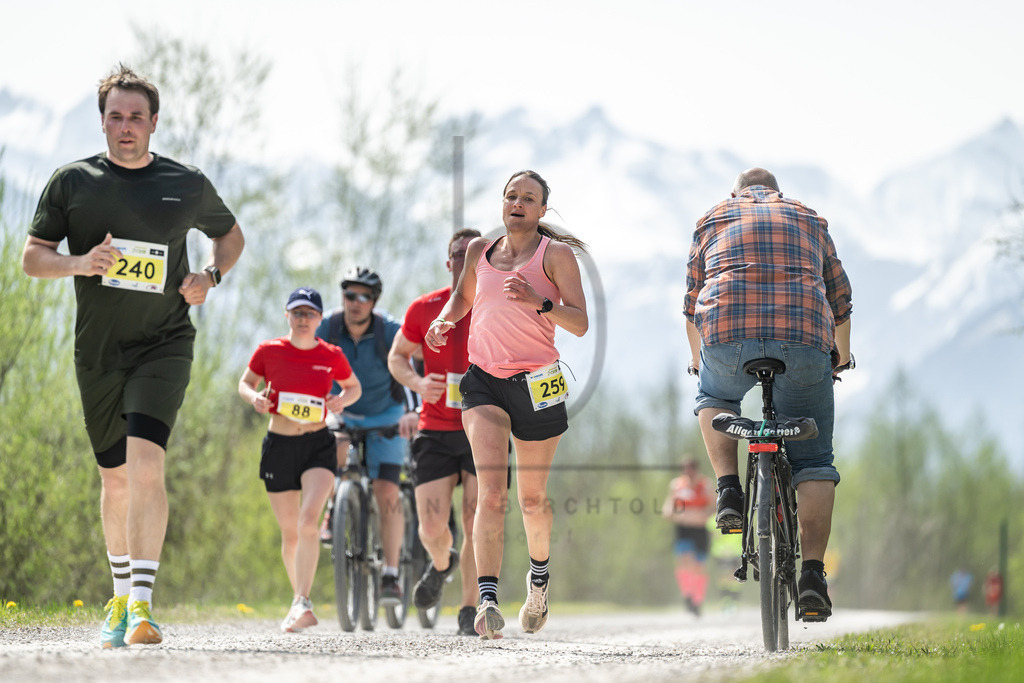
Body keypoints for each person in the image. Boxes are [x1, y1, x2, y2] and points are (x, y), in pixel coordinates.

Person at [21, 64, 244, 648]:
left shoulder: (184, 183)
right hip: (98, 351)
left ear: (154, 123)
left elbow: (230, 236)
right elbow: (33, 257)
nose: (126, 126)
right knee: (114, 479)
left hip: (164, 343)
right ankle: (120, 598)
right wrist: (79, 263)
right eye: (116, 116)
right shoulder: (72, 183)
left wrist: (210, 276)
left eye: (136, 117)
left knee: (146, 465)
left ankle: (143, 606)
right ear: (102, 122)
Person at [684, 167, 852, 623]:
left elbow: (692, 303)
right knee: (814, 461)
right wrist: (840, 358)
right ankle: (813, 576)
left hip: (727, 336)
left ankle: (729, 491)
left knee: (713, 399)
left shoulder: (713, 217)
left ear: (735, 193)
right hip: (803, 341)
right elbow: (840, 299)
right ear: (779, 193)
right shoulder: (810, 218)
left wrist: (700, 360)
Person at [426, 170, 589, 640]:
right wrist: (444, 321)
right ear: (502, 204)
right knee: (491, 493)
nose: (518, 203)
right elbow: (462, 299)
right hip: (484, 383)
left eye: (528, 198)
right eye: (511, 196)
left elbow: (580, 323)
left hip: (537, 385)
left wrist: (540, 302)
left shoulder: (555, 255)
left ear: (542, 210)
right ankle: (487, 600)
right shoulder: (480, 250)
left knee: (531, 500)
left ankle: (538, 581)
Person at [238, 287, 361, 632]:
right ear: (287, 316)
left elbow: (353, 387)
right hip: (279, 446)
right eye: (297, 312)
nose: (303, 319)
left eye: (310, 313)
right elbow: (245, 383)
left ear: (320, 319)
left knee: (309, 522)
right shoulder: (269, 350)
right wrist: (254, 398)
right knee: (290, 533)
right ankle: (298, 601)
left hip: (318, 445)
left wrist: (342, 400)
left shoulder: (331, 354)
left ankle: (302, 601)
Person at [388, 228, 482, 636]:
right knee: (429, 528)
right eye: (459, 253)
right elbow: (397, 356)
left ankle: (470, 609)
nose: (466, 259)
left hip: (484, 429)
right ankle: (443, 563)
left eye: (474, 252)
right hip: (436, 429)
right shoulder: (425, 307)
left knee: (477, 522)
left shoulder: (497, 307)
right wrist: (418, 382)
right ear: (449, 262)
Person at [316, 267, 417, 605]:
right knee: (332, 445)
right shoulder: (327, 327)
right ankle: (335, 505)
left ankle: (390, 575)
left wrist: (411, 412)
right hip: (342, 410)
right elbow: (308, 362)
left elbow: (410, 370)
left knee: (386, 490)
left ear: (374, 302)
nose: (355, 302)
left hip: (387, 414)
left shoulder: (389, 330)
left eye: (364, 297)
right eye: (350, 295)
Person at [661, 457, 715, 616]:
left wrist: (701, 514)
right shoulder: (676, 485)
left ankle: (698, 599)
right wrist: (670, 513)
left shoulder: (706, 485)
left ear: (696, 469)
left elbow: (714, 506)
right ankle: (688, 595)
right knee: (684, 561)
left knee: (699, 566)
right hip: (683, 529)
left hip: (700, 529)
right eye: (684, 468)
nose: (688, 471)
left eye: (691, 468)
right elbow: (668, 507)